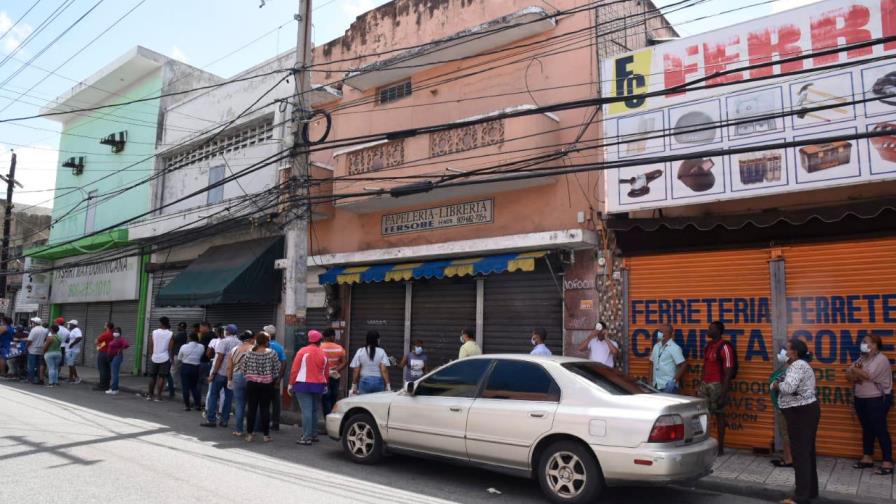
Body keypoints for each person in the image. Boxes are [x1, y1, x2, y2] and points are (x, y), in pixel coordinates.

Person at [772, 339, 819, 504]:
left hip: (801, 413)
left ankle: (800, 497)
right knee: (806, 453)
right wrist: (777, 384)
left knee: (800, 454)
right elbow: (775, 382)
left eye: (787, 349)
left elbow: (787, 388)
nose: (784, 352)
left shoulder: (798, 365)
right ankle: (810, 492)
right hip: (802, 412)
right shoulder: (794, 366)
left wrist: (778, 386)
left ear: (795, 353)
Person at [847, 334, 893, 475]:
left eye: (865, 342)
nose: (862, 344)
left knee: (880, 428)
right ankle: (867, 457)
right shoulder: (863, 358)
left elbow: (868, 375)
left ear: (874, 344)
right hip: (861, 398)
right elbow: (848, 376)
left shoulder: (881, 359)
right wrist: (855, 372)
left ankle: (887, 462)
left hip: (877, 398)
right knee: (867, 428)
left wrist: (855, 371)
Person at [699, 321, 734, 456]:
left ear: (718, 331)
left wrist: (723, 393)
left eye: (710, 329)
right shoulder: (708, 346)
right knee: (703, 415)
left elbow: (728, 372)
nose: (708, 330)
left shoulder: (725, 347)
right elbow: (705, 365)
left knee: (719, 415)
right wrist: (701, 383)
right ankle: (703, 445)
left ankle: (720, 448)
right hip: (706, 384)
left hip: (717, 385)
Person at [288, 329, 330, 446]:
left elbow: (295, 369)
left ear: (309, 339)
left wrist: (291, 384)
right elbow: (326, 372)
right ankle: (313, 434)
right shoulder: (323, 353)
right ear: (320, 341)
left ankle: (306, 437)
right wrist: (326, 384)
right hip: (319, 385)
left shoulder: (303, 351)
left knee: (306, 411)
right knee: (314, 410)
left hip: (303, 385)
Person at [243, 331, 280, 443]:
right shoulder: (272, 353)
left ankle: (249, 434)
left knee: (251, 409)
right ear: (266, 341)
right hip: (267, 384)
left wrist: (250, 376)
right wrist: (271, 378)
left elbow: (243, 368)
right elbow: (276, 369)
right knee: (265, 409)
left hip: (252, 384)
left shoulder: (249, 353)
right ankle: (266, 435)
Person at [202, 324, 240, 427]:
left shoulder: (224, 342)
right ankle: (224, 421)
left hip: (220, 373)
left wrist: (213, 373)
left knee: (213, 396)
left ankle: (211, 420)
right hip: (232, 374)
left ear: (227, 332)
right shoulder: (239, 343)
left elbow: (219, 358)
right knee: (228, 398)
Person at [770, 348, 793, 468]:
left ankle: (788, 459)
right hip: (790, 406)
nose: (780, 354)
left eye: (785, 352)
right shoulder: (793, 368)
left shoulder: (790, 370)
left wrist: (775, 384)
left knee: (785, 433)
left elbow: (776, 385)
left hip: (785, 406)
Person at [229, 330, 255, 437]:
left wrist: (229, 379)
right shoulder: (254, 349)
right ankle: (251, 430)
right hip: (251, 377)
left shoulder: (234, 349)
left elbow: (229, 366)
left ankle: (238, 430)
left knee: (239, 404)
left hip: (237, 377)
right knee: (252, 405)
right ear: (250, 339)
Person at [350, 330, 391, 395]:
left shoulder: (360, 351)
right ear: (377, 340)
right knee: (378, 404)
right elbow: (384, 370)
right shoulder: (381, 351)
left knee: (364, 404)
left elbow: (356, 370)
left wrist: (353, 385)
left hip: (364, 382)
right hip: (378, 382)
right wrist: (388, 385)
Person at [649, 323, 686, 393]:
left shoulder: (674, 348)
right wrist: (650, 381)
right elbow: (651, 363)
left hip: (668, 386)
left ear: (667, 333)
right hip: (655, 385)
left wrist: (673, 382)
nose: (658, 333)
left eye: (660, 331)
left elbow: (683, 365)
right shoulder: (656, 346)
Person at [263, 324, 287, 432]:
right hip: (275, 377)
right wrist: (279, 379)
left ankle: (264, 423)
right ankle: (275, 423)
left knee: (264, 401)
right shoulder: (279, 346)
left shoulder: (262, 346)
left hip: (264, 377)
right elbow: (284, 363)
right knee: (276, 401)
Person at [147, 317, 174, 402]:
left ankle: (150, 395)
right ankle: (158, 396)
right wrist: (171, 358)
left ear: (161, 323)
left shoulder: (154, 332)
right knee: (162, 377)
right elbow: (170, 348)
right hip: (165, 358)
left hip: (154, 357)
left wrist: (151, 355)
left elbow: (150, 344)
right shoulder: (170, 334)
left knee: (152, 377)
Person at [320, 328, 346, 416]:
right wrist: (337, 369)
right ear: (332, 337)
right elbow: (344, 362)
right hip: (335, 376)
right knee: (333, 397)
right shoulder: (339, 348)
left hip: (323, 377)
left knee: (325, 398)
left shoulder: (319, 347)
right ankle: (331, 416)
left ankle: (327, 418)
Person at [177, 332, 205, 411]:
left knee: (185, 387)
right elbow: (201, 355)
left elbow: (179, 358)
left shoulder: (184, 346)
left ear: (189, 338)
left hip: (186, 366)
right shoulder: (201, 347)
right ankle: (197, 405)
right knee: (194, 387)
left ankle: (187, 405)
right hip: (196, 368)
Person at [106, 327, 130, 395]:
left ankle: (114, 389)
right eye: (114, 331)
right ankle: (113, 388)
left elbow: (126, 344)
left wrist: (120, 349)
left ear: (119, 332)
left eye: (117, 331)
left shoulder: (121, 339)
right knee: (113, 373)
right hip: (112, 357)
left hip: (117, 357)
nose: (115, 332)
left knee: (115, 373)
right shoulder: (114, 339)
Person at [25, 317, 47, 384]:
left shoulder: (34, 330)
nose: (32, 323)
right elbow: (46, 339)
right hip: (41, 350)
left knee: (31, 365)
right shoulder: (45, 330)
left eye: (32, 322)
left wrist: (25, 348)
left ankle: (30, 379)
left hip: (32, 350)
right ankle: (38, 378)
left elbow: (30, 341)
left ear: (34, 323)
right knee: (39, 365)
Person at [94, 322, 115, 391]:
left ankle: (102, 385)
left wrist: (99, 346)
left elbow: (96, 341)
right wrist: (101, 345)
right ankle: (107, 384)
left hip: (103, 353)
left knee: (102, 369)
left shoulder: (106, 334)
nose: (104, 326)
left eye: (105, 325)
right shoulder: (112, 334)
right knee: (107, 369)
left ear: (107, 327)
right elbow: (107, 343)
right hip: (110, 353)